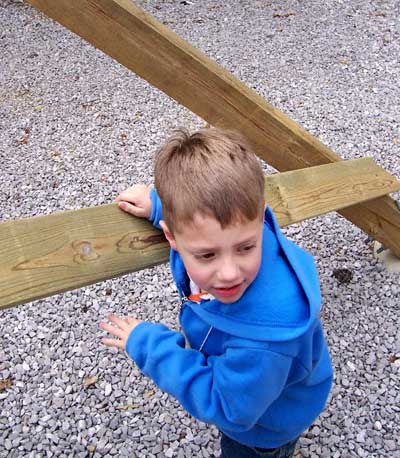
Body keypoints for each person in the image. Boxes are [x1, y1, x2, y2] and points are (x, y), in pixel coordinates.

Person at [100, 127, 333, 458]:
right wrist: (159, 206)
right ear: (173, 236)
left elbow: (228, 408)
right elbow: (206, 221)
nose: (229, 273)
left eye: (246, 247)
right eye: (207, 255)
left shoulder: (266, 341)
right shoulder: (232, 227)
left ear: (259, 218)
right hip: (262, 388)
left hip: (261, 430)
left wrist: (150, 345)